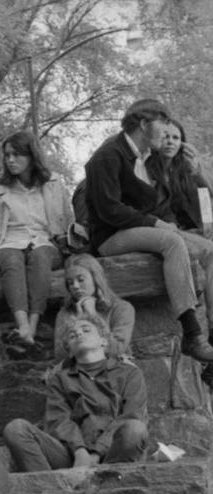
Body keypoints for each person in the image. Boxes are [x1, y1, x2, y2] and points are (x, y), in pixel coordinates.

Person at [84, 98, 213, 361]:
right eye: (163, 126)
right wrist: (158, 224)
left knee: (209, 250)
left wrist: (175, 222)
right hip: (110, 236)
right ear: (144, 124)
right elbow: (109, 209)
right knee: (171, 241)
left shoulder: (145, 159)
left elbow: (161, 204)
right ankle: (192, 332)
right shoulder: (108, 155)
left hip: (143, 230)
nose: (167, 134)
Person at [4, 314, 148, 471]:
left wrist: (97, 453)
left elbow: (132, 414)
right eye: (72, 335)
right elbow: (58, 420)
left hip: (114, 452)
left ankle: (106, 480)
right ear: (70, 351)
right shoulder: (60, 378)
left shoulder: (129, 373)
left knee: (135, 429)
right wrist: (80, 451)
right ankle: (52, 485)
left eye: (86, 330)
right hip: (71, 457)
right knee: (16, 429)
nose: (79, 333)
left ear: (104, 341)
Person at [0, 131, 74, 358]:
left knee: (40, 257)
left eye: (17, 155)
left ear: (31, 156)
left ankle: (30, 327)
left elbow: (68, 220)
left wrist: (70, 245)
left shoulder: (53, 183)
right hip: (8, 241)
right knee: (12, 260)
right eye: (7, 155)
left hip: (44, 241)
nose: (10, 160)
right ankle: (23, 326)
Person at [146, 118, 213, 337]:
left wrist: (197, 172)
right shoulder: (146, 168)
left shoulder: (184, 167)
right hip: (164, 231)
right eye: (165, 136)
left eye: (176, 138)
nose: (170, 142)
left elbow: (206, 197)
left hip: (192, 230)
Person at [53, 254, 134, 361]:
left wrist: (93, 316)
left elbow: (117, 349)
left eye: (81, 280)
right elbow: (60, 356)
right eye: (70, 283)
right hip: (78, 368)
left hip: (113, 367)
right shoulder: (65, 312)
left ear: (96, 279)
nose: (75, 286)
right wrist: (76, 324)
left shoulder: (122, 308)